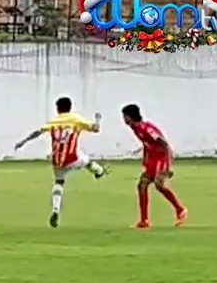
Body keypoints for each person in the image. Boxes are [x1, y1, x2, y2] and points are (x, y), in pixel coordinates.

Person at [14, 96, 109, 228]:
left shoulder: (54, 122)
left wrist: (23, 142)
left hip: (57, 161)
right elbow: (96, 129)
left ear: (57, 109)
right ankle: (99, 172)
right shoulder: (75, 119)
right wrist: (98, 119)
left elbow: (38, 132)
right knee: (87, 161)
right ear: (70, 107)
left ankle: (55, 210)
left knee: (59, 182)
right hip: (73, 158)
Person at [122, 104, 187, 228]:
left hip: (162, 158)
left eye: (125, 116)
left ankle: (180, 209)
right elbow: (146, 144)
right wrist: (145, 160)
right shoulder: (135, 128)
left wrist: (169, 165)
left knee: (159, 184)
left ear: (130, 116)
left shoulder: (147, 129)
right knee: (142, 185)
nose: (124, 119)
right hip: (152, 159)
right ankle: (144, 220)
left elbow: (165, 145)